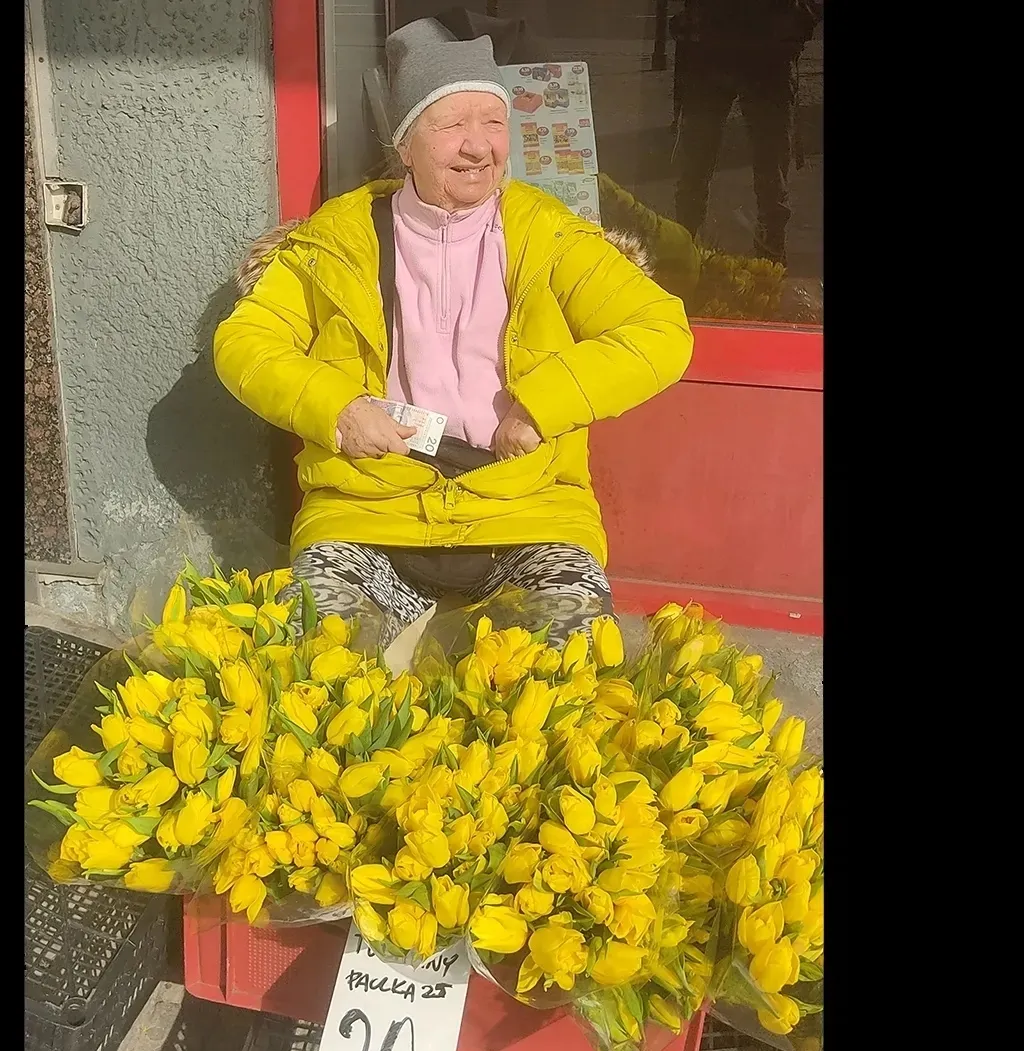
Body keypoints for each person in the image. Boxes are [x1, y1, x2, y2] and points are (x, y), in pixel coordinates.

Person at [214, 18, 693, 647]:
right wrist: (338, 410)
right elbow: (245, 342)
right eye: (450, 126)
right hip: (369, 511)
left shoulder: (549, 235)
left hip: (526, 510)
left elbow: (660, 331)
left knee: (562, 665)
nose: (478, 146)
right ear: (404, 145)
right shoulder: (340, 239)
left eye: (493, 123)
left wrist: (542, 406)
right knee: (314, 660)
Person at [672, 1, 822, 266]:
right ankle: (684, 244)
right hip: (723, 46)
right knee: (697, 163)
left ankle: (767, 251)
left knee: (767, 165)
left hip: (756, 49)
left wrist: (800, 21)